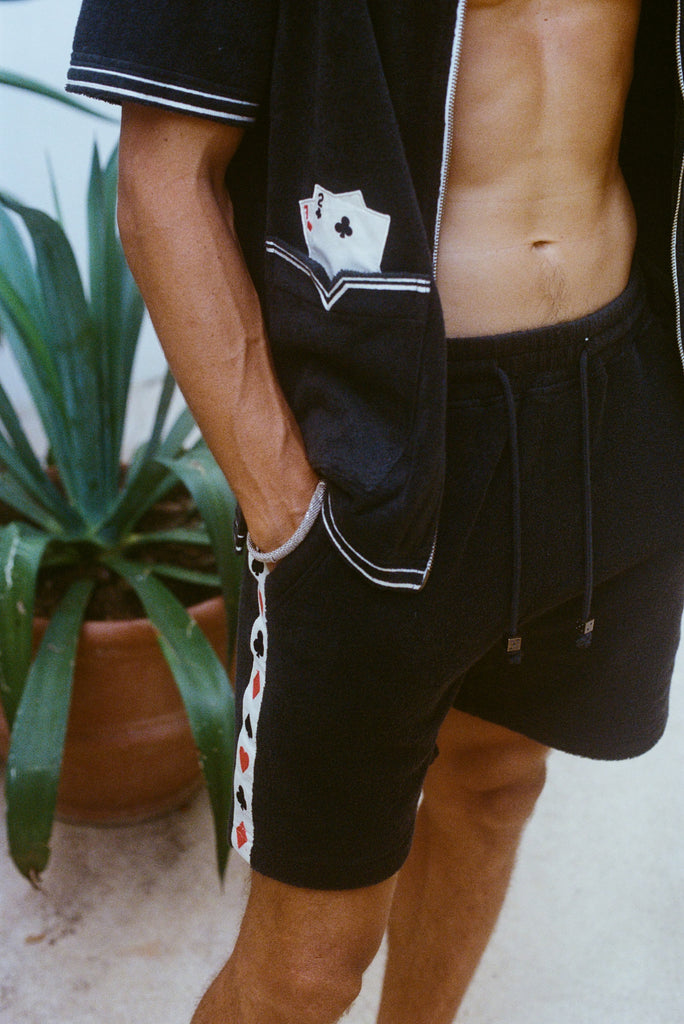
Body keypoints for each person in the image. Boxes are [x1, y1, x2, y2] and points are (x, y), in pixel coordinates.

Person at [67, 2, 684, 1021]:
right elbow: (164, 179)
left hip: (614, 396)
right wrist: (288, 515)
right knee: (307, 969)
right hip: (378, 440)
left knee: (494, 785)